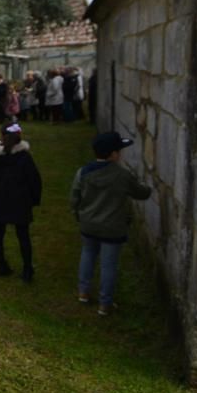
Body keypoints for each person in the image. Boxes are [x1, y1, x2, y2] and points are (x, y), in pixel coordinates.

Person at [70, 131, 151, 315]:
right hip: (112, 227)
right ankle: (105, 303)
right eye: (119, 151)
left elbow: (75, 196)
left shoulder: (83, 172)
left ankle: (83, 292)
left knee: (88, 254)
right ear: (113, 154)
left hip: (89, 224)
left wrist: (78, 215)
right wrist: (146, 186)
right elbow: (142, 193)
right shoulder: (122, 175)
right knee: (108, 264)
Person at [0, 123, 42, 282]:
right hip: (20, 200)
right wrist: (33, 199)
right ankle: (28, 269)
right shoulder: (24, 157)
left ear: (1, 136)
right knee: (23, 235)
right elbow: (34, 180)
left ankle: (1, 265)